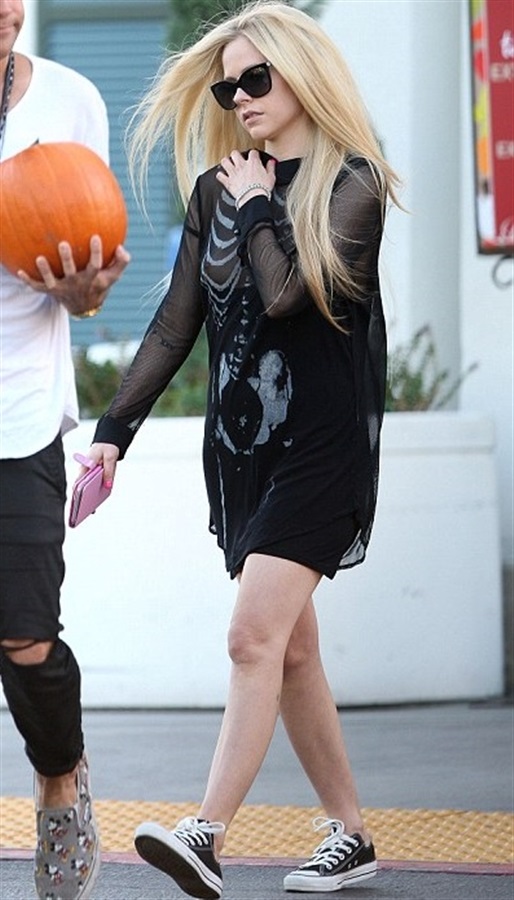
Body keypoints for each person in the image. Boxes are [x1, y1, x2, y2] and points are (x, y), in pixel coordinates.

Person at [86, 1, 401, 896]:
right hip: (245, 452)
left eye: (255, 78)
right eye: (229, 87)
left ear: (302, 73)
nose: (240, 98)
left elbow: (289, 295)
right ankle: (352, 834)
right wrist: (112, 436)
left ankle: (206, 831)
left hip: (323, 446)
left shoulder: (353, 181)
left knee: (251, 636)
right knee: (291, 652)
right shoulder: (214, 191)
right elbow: (175, 322)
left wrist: (260, 204)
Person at [0, 2, 130, 899]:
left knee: (24, 635)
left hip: (19, 410)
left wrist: (85, 292)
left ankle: (59, 780)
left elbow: (90, 274)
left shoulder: (72, 100)